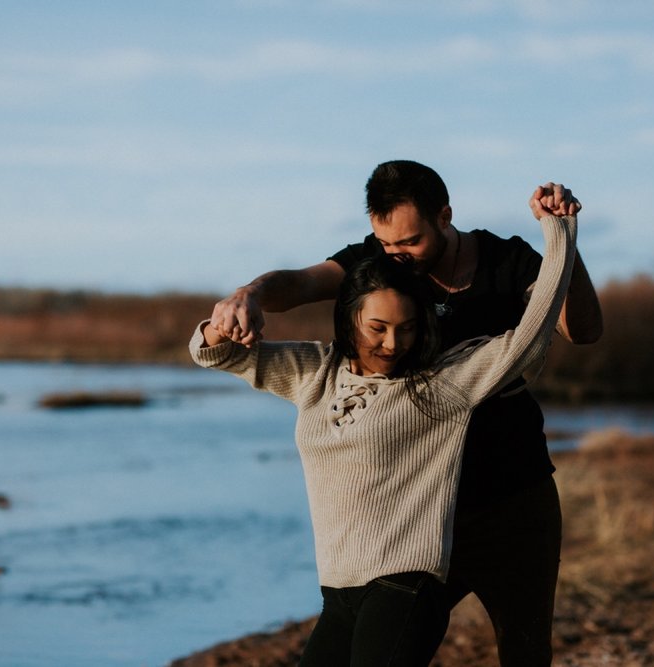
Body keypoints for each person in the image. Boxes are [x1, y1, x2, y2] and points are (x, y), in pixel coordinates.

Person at [210, 161, 602, 665]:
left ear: (445, 217)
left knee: (525, 654)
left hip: (512, 496)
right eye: (386, 244)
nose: (396, 256)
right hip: (416, 517)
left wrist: (564, 248)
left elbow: (581, 329)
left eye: (409, 242)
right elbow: (300, 283)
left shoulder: (508, 261)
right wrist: (249, 294)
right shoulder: (380, 261)